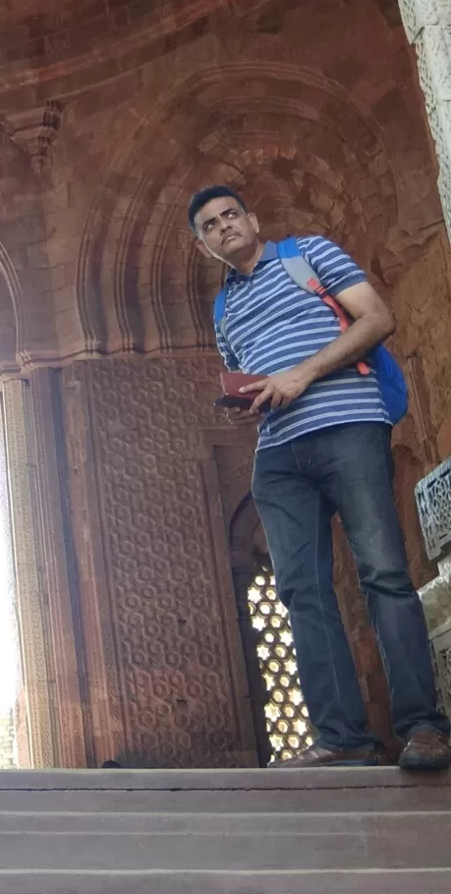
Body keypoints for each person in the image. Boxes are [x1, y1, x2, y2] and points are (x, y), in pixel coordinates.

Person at [190, 184, 451, 771]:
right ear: (205, 246)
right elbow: (250, 375)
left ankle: (422, 727)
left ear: (254, 219)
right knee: (300, 592)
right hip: (279, 453)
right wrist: (246, 397)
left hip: (349, 424)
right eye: (210, 225)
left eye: (231, 214)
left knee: (382, 573)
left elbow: (377, 317)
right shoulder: (224, 309)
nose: (224, 226)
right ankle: (343, 738)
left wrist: (303, 372)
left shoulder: (310, 254)